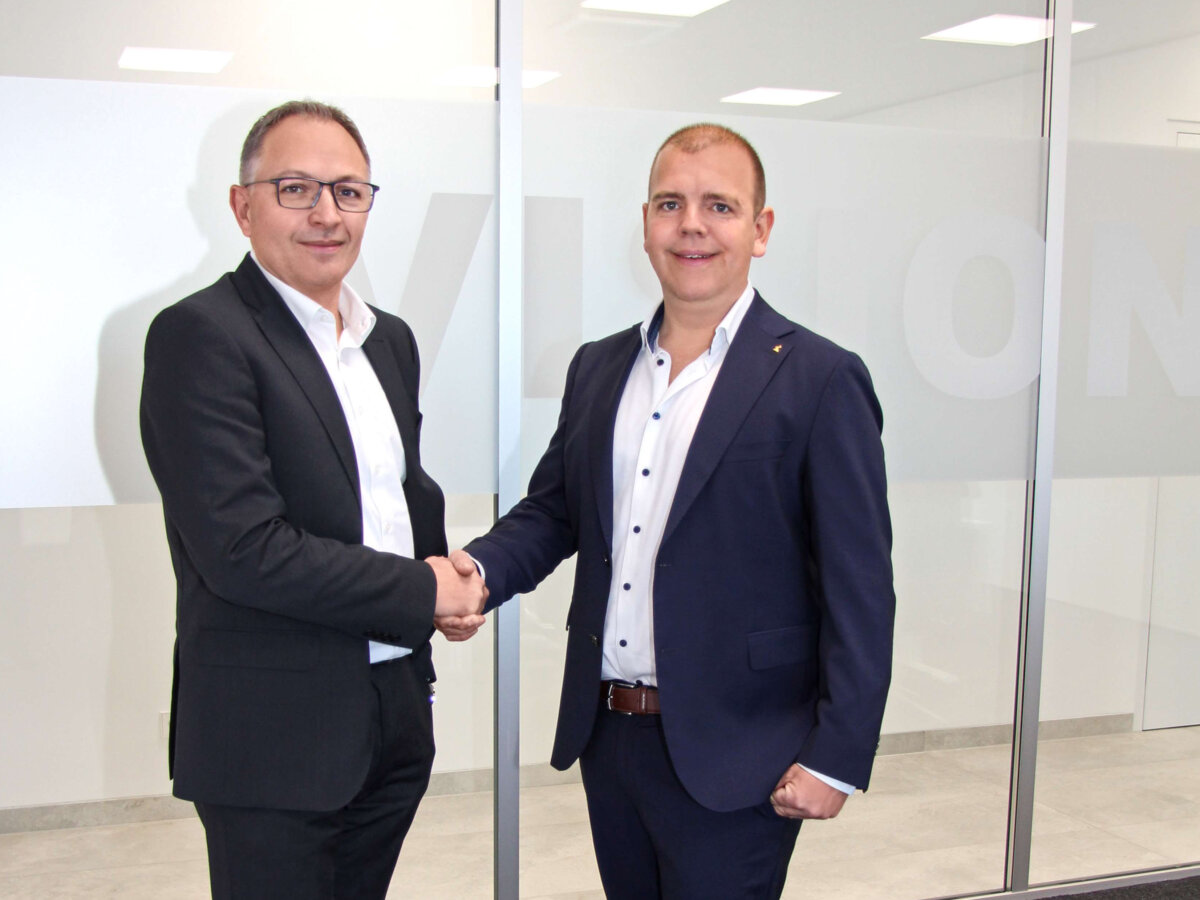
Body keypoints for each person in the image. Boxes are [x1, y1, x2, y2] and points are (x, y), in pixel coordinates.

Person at [438, 123, 895, 899]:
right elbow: (554, 512)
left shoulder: (820, 378)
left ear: (761, 229)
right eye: (670, 203)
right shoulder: (599, 367)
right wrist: (477, 572)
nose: (691, 225)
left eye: (720, 206)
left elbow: (861, 588)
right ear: (646, 223)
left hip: (741, 749)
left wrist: (838, 755)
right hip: (609, 735)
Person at [140, 99, 486, 900]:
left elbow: (395, 494)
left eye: (348, 191)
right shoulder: (202, 335)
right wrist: (421, 588)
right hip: (273, 738)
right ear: (243, 206)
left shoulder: (388, 339)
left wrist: (441, 584)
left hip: (393, 712)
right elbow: (243, 549)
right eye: (295, 189)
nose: (327, 214)